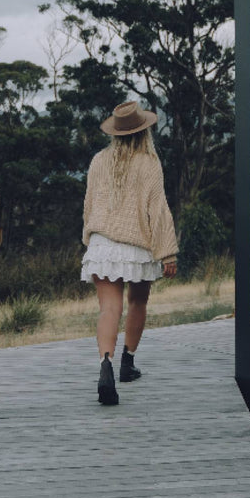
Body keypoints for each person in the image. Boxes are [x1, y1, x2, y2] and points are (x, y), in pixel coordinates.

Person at [81, 101, 178, 405]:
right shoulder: (149, 162)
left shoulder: (98, 160)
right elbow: (158, 210)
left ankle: (105, 367)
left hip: (102, 244)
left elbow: (88, 204)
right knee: (138, 301)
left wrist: (91, 238)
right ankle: (127, 363)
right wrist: (168, 252)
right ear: (143, 132)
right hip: (136, 245)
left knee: (109, 309)